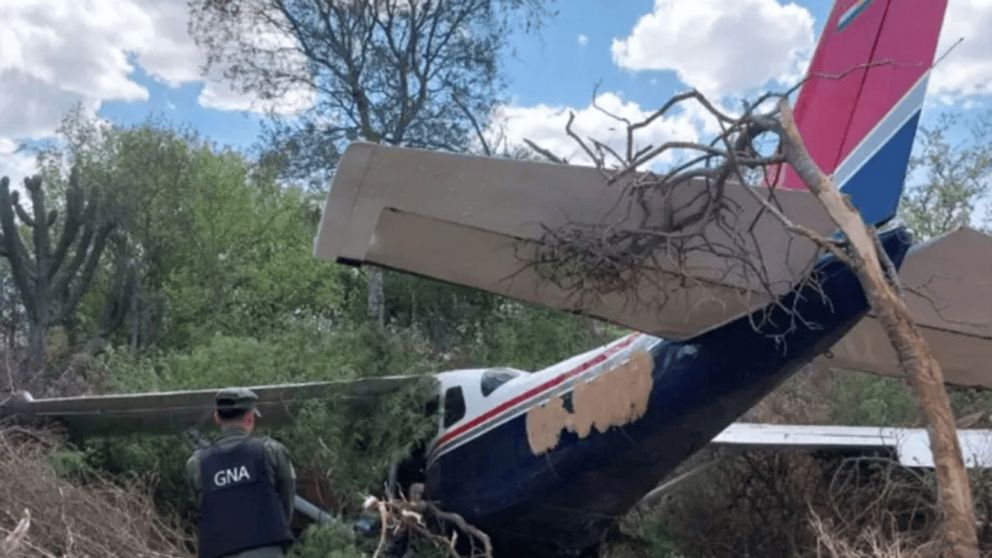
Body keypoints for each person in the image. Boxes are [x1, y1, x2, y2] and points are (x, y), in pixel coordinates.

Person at [186, 388, 296, 558]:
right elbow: (286, 500)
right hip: (267, 550)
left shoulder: (196, 464)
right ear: (250, 417)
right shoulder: (270, 451)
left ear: (217, 418)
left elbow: (198, 508)